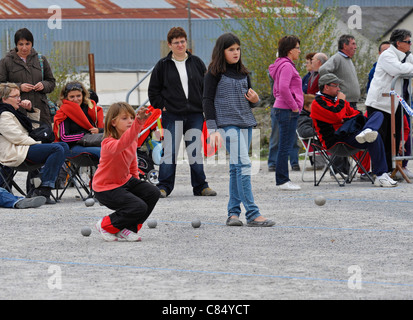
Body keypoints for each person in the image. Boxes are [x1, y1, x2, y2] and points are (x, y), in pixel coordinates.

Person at [203, 32, 274, 227]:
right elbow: (207, 101)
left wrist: (255, 100)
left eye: (237, 49)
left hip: (246, 122)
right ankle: (252, 213)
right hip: (226, 125)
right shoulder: (213, 74)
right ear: (222, 51)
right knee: (244, 165)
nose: (236, 52)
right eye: (231, 49)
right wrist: (213, 129)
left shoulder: (244, 73)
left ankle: (233, 214)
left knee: (236, 168)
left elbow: (250, 101)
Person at [148, 27, 216, 198]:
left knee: (195, 151)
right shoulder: (162, 66)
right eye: (176, 42)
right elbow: (153, 91)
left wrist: (205, 107)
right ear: (169, 44)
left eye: (182, 41)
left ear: (186, 42)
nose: (180, 45)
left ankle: (201, 186)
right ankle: (164, 186)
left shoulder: (197, 62)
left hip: (194, 114)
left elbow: (206, 87)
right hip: (172, 114)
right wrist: (163, 105)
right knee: (169, 151)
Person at [310, 74, 397, 187]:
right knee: (374, 136)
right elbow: (336, 115)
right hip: (336, 140)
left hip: (351, 134)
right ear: (326, 87)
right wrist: (341, 103)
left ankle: (367, 132)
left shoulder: (338, 100)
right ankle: (381, 175)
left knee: (378, 116)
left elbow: (356, 114)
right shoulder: (317, 103)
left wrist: (343, 119)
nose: (339, 89)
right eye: (336, 86)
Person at [92, 102, 160, 242]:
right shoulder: (108, 143)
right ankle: (105, 225)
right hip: (105, 188)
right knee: (138, 206)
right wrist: (138, 123)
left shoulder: (132, 139)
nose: (130, 121)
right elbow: (122, 143)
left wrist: (136, 185)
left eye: (131, 117)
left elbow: (132, 163)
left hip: (124, 182)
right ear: (113, 123)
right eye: (124, 118)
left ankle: (128, 230)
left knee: (153, 192)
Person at [0, 83, 69, 204]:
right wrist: (39, 143)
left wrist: (30, 111)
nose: (19, 99)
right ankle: (43, 188)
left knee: (63, 146)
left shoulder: (14, 113)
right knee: (57, 148)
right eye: (15, 96)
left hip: (24, 148)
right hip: (14, 152)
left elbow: (33, 131)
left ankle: (41, 186)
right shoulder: (3, 114)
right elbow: (17, 138)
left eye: (19, 96)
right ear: (4, 99)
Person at [365, 29, 413, 174]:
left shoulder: (406, 56)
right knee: (381, 138)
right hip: (379, 103)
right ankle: (380, 171)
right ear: (398, 43)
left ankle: (392, 169)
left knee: (396, 137)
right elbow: (398, 70)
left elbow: (407, 70)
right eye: (408, 42)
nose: (410, 44)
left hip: (395, 102)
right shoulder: (387, 55)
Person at [268, 35, 303, 191]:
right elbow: (283, 88)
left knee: (284, 145)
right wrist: (294, 106)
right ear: (290, 50)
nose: (299, 51)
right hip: (287, 110)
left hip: (282, 108)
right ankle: (283, 179)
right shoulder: (287, 66)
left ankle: (282, 178)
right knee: (285, 146)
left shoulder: (281, 64)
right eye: (297, 48)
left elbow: (278, 89)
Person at [0, 28, 55, 125]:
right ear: (16, 45)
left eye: (27, 44)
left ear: (32, 44)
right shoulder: (6, 62)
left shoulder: (41, 60)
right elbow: (1, 86)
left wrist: (44, 85)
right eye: (21, 44)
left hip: (40, 111)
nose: (24, 48)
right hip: (17, 112)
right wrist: (19, 87)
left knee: (43, 137)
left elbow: (51, 82)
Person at [53, 81, 104, 160]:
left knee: (115, 148)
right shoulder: (63, 113)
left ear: (83, 95)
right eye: (72, 97)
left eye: (78, 96)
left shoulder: (90, 109)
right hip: (73, 147)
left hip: (93, 142)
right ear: (66, 98)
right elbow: (63, 137)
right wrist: (84, 135)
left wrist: (98, 130)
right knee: (102, 152)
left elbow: (105, 130)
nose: (76, 99)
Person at [319, 34, 360, 110]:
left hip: (351, 103)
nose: (356, 47)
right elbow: (323, 70)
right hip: (344, 103)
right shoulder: (338, 58)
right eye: (353, 44)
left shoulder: (348, 59)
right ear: (345, 45)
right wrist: (334, 87)